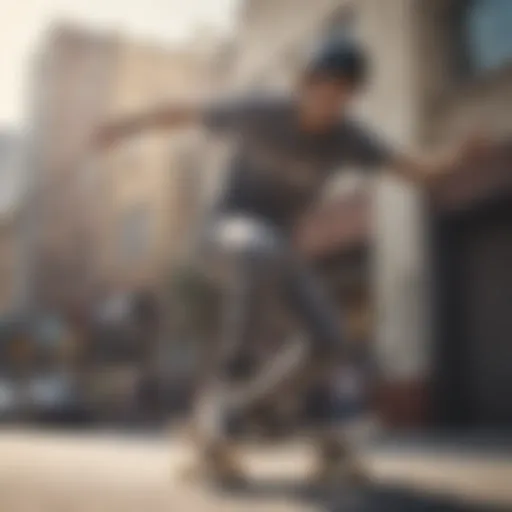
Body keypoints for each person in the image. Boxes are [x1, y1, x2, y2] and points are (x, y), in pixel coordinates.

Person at [96, 37, 487, 485]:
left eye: (343, 92)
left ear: (351, 97)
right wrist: (123, 127)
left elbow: (416, 172)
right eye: (323, 86)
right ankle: (225, 392)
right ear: (305, 83)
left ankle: (246, 410)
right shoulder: (264, 112)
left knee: (329, 339)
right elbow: (184, 111)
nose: (330, 100)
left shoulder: (350, 137)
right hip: (222, 235)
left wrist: (458, 157)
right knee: (259, 245)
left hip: (279, 254)